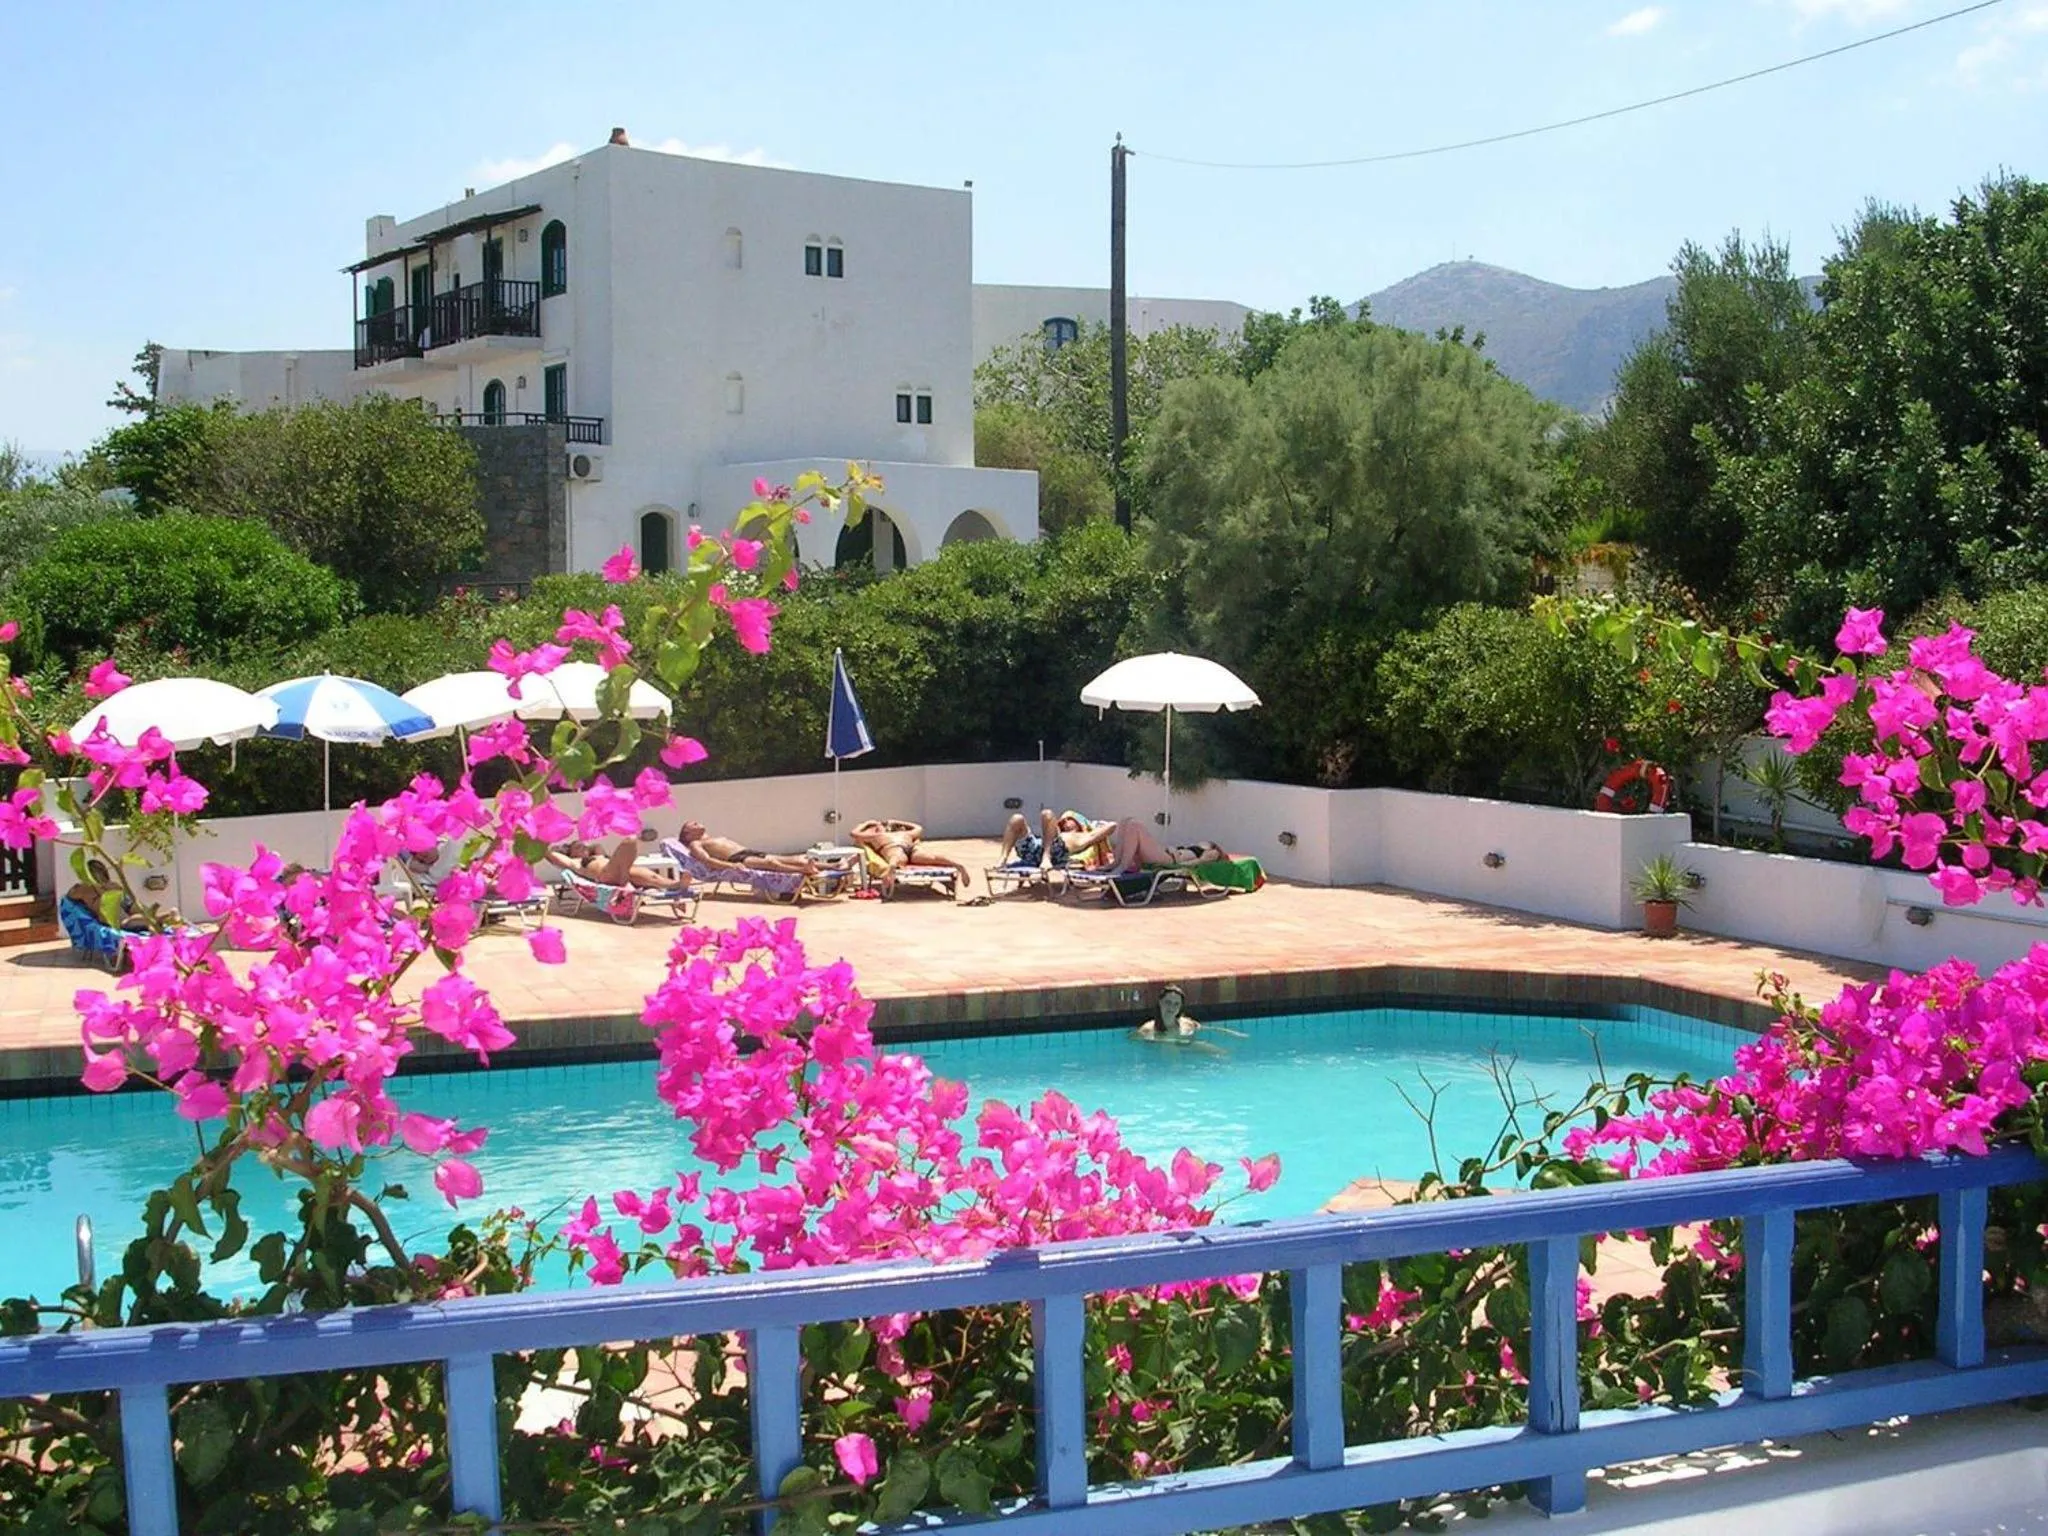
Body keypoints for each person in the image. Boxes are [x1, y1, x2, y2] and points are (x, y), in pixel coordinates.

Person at [850, 818, 971, 896]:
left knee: (930, 857)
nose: (880, 826)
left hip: (905, 848)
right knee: (898, 857)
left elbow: (919, 828)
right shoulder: (875, 836)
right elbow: (854, 834)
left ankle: (959, 866)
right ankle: (891, 868)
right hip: (898, 848)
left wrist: (896, 821)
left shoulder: (901, 833)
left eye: (882, 825)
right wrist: (866, 823)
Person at [673, 820, 827, 879]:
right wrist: (732, 866)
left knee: (796, 858)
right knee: (772, 864)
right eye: (693, 824)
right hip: (737, 859)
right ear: (687, 834)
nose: (698, 823)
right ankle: (804, 871)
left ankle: (835, 865)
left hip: (747, 851)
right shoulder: (695, 844)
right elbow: (708, 861)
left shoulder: (707, 838)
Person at [548, 839, 692, 892]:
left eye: (583, 845)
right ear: (571, 854)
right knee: (630, 840)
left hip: (619, 870)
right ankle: (624, 881)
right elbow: (550, 854)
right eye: (578, 847)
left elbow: (596, 845)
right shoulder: (575, 862)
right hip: (605, 874)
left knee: (651, 876)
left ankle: (676, 885)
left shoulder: (598, 854)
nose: (583, 848)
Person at [1132, 984, 1246, 1048]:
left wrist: (1233, 1033)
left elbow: (1207, 1028)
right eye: (1168, 1002)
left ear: (1180, 1007)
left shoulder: (1185, 1023)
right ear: (1160, 1002)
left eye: (1176, 1004)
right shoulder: (1148, 1029)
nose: (1171, 1007)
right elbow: (1134, 1041)